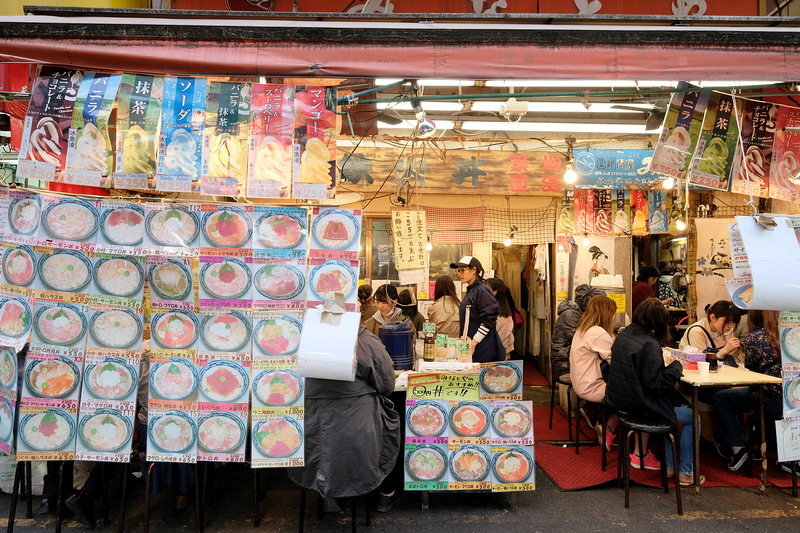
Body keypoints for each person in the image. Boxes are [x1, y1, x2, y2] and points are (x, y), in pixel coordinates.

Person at [288, 324, 401, 512]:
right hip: (359, 432)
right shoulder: (365, 341)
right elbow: (387, 384)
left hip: (306, 432)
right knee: (390, 428)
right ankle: (385, 494)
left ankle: (330, 493)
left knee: (326, 443)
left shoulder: (298, 336)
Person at [603, 299, 702, 485]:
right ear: (658, 322)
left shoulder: (624, 335)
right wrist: (675, 366)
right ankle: (686, 472)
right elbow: (656, 383)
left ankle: (670, 466)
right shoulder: (649, 344)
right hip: (641, 406)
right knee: (692, 417)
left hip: (620, 401)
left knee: (673, 404)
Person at [713, 310, 783, 472]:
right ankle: (765, 447)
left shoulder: (755, 338)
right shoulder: (792, 334)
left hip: (772, 397)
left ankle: (738, 451)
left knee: (722, 398)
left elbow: (752, 372)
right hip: (794, 399)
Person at [450, 256, 505, 363]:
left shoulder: (482, 290)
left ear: (474, 270)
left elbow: (489, 320)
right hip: (472, 347)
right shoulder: (472, 290)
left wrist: (474, 342)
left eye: (463, 270)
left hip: (483, 348)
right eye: (459, 271)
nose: (460, 274)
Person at [550, 284, 606, 378]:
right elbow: (586, 339)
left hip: (575, 362)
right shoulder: (570, 315)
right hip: (565, 365)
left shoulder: (579, 314)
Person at [679, 300, 742, 365]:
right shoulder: (697, 331)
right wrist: (725, 350)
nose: (730, 326)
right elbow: (702, 363)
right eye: (727, 322)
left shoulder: (725, 330)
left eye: (733, 323)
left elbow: (726, 358)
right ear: (712, 317)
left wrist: (735, 352)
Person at [486, 278, 515, 359]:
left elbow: (501, 339)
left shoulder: (499, 313)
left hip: (497, 354)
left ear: (494, 293)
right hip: (499, 352)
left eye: (487, 289)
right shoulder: (503, 311)